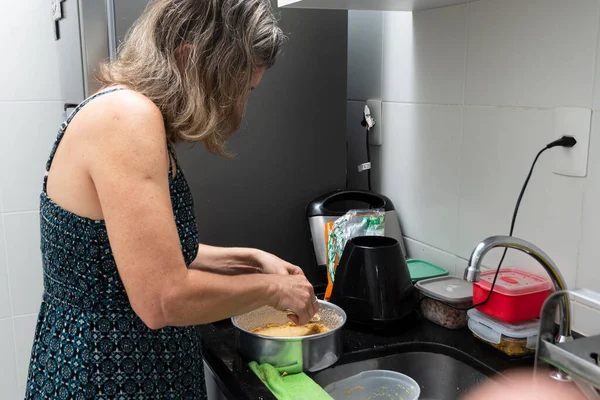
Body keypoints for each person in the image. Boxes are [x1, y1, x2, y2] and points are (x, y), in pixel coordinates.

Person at [25, 0, 318, 398]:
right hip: (106, 375)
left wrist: (248, 259)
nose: (238, 107)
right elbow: (163, 298)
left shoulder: (131, 111)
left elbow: (150, 256)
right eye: (237, 88)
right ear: (192, 58)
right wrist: (273, 290)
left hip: (128, 365)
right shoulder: (126, 119)